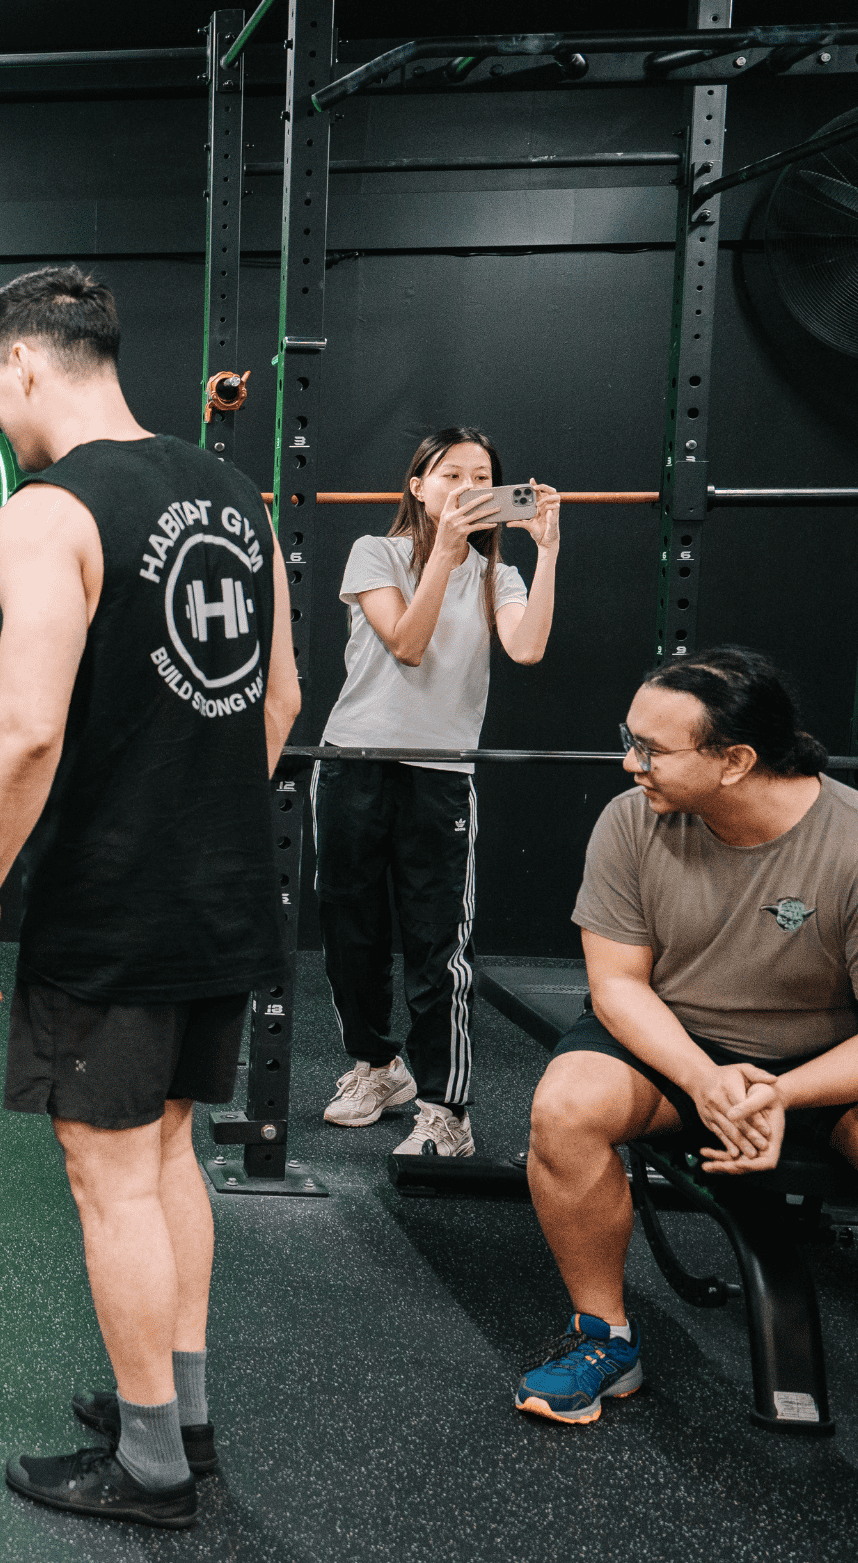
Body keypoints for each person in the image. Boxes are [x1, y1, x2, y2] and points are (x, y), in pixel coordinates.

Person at [0, 267, 298, 1529]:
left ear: (26, 365)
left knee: (106, 1174)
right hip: (224, 890)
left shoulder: (47, 510)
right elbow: (279, 701)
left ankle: (149, 1469)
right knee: (167, 1151)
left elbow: (26, 728)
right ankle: (177, 1414)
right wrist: (197, 813)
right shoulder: (228, 491)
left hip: (113, 900)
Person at [514, 647, 858, 1426]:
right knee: (565, 1108)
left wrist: (780, 1091)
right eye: (627, 737)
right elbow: (618, 986)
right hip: (675, 1042)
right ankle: (602, 1339)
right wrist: (707, 1081)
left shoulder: (850, 842)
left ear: (734, 760)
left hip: (823, 1062)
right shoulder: (629, 821)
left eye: (651, 749)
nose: (628, 761)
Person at [315, 428, 562, 1156]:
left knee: (437, 947)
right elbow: (406, 640)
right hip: (354, 761)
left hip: (440, 775)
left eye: (480, 476)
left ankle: (445, 1110)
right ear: (417, 486)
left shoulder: (496, 577)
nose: (463, 485)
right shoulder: (375, 553)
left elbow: (527, 647)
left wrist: (545, 550)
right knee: (347, 934)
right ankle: (375, 1064)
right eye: (448, 473)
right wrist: (445, 556)